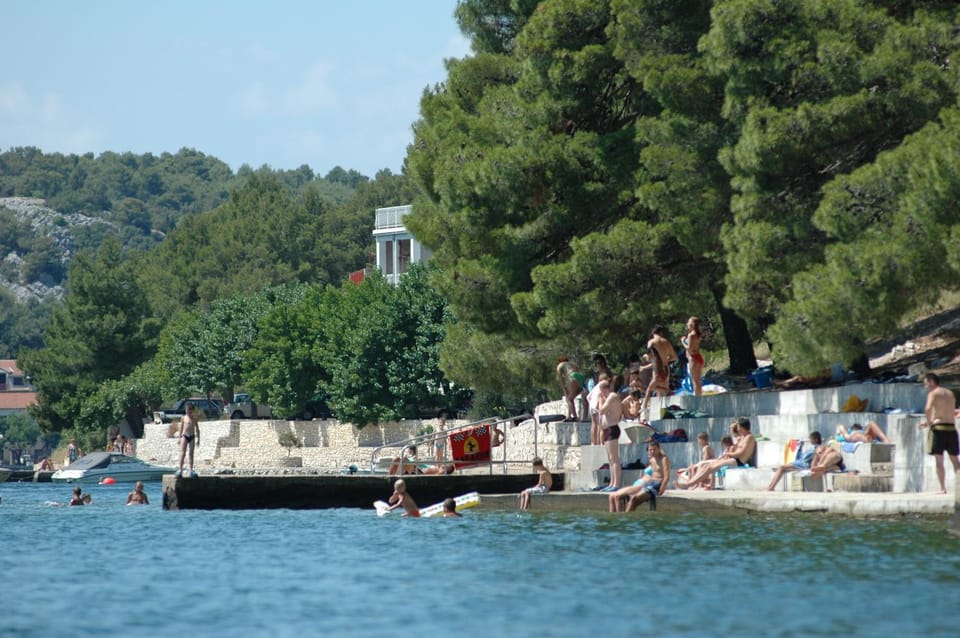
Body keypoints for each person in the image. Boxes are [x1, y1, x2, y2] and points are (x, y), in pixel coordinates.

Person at [682, 417, 756, 487]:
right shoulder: (743, 437)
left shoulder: (749, 437)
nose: (738, 429)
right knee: (707, 466)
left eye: (739, 427)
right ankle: (690, 483)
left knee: (710, 468)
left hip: (739, 461)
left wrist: (727, 453)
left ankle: (689, 484)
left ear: (742, 427)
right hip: (734, 459)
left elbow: (740, 453)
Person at [919, 372, 959, 494]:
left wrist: (929, 422)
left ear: (931, 382)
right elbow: (948, 411)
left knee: (939, 461)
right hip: (951, 428)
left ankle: (942, 488)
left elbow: (928, 408)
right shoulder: (950, 393)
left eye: (926, 384)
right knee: (955, 460)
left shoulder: (933, 393)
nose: (926, 387)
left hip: (938, 429)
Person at [609, 441, 670, 512]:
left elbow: (666, 477)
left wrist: (661, 490)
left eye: (654, 449)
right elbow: (651, 474)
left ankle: (626, 517)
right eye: (650, 450)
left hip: (657, 484)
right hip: (649, 483)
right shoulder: (652, 460)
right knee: (629, 499)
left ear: (658, 449)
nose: (652, 451)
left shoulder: (664, 459)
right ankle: (622, 516)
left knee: (634, 498)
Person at [597, 380, 623, 492]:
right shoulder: (608, 398)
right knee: (610, 459)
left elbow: (601, 410)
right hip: (607, 430)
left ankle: (616, 484)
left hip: (612, 429)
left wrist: (600, 399)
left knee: (614, 458)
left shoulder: (612, 396)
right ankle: (612, 482)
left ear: (603, 389)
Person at [640, 346, 670, 422]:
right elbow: (651, 365)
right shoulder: (655, 358)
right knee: (658, 392)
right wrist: (644, 368)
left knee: (648, 390)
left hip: (657, 377)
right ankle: (666, 390)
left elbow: (656, 369)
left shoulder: (656, 359)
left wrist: (655, 379)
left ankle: (644, 406)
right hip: (659, 377)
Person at [556, 357, 587, 422]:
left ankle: (575, 417)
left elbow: (561, 380)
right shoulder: (571, 363)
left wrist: (564, 389)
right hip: (580, 376)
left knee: (569, 399)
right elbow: (578, 369)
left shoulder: (559, 366)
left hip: (572, 376)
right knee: (580, 397)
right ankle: (580, 417)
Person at [176, 402, 200, 478]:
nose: (188, 411)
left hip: (192, 436)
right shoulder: (183, 418)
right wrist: (179, 438)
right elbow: (181, 428)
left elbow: (197, 429)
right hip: (184, 436)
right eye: (187, 410)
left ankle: (191, 470)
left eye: (190, 410)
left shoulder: (194, 418)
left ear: (192, 410)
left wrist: (198, 439)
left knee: (191, 453)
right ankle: (180, 469)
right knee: (182, 453)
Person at [682, 316, 704, 396]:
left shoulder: (691, 335)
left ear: (692, 324)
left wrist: (683, 342)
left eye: (689, 322)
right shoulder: (697, 334)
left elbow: (689, 348)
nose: (687, 324)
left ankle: (697, 398)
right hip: (698, 357)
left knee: (695, 381)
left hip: (693, 358)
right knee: (698, 381)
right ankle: (699, 396)